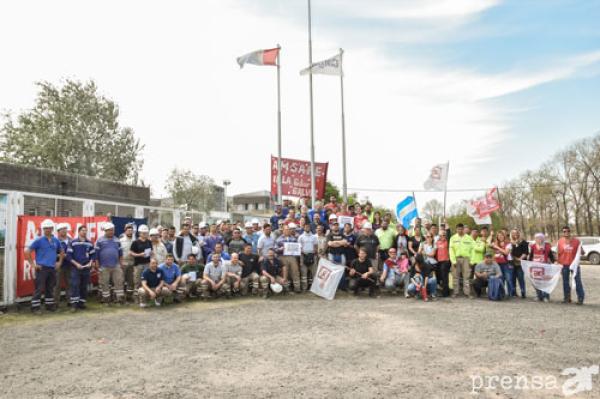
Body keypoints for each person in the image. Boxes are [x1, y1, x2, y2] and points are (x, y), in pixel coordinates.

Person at [26, 219, 64, 313]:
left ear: (52, 228)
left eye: (49, 228)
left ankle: (49, 306)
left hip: (52, 268)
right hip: (42, 268)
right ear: (43, 229)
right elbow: (27, 252)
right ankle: (35, 308)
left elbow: (62, 252)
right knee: (39, 288)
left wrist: (59, 262)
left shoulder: (56, 240)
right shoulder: (39, 240)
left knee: (50, 288)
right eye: (45, 228)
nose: (47, 229)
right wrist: (33, 265)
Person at [66, 225, 95, 312]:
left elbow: (92, 255)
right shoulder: (73, 242)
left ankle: (81, 303)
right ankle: (74, 305)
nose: (84, 232)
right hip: (75, 268)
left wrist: (90, 262)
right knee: (75, 285)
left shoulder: (89, 243)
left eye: (86, 230)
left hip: (86, 268)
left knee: (84, 286)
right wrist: (76, 264)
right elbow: (69, 256)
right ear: (79, 232)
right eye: (83, 230)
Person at [95, 223, 125, 305]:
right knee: (105, 283)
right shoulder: (100, 240)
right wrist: (97, 263)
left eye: (113, 230)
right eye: (110, 230)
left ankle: (119, 300)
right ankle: (106, 300)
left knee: (119, 282)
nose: (112, 232)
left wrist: (121, 263)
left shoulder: (117, 240)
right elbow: (96, 254)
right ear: (105, 231)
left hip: (116, 265)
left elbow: (120, 253)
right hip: (104, 266)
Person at [557, 226, 585, 305]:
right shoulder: (560, 241)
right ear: (562, 232)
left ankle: (580, 298)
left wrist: (581, 250)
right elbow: (558, 253)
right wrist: (558, 263)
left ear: (570, 232)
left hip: (574, 265)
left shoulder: (576, 241)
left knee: (577, 281)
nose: (566, 233)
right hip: (564, 265)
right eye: (564, 231)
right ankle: (567, 298)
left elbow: (582, 252)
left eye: (568, 231)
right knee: (565, 282)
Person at [528, 233, 555, 302]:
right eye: (536, 238)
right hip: (535, 268)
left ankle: (546, 296)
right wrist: (529, 265)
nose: (538, 240)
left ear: (543, 239)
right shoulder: (533, 246)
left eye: (540, 238)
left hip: (545, 268)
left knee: (545, 282)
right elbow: (531, 256)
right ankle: (539, 295)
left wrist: (553, 262)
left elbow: (551, 257)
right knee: (536, 282)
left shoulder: (547, 246)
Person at [449, 223, 475, 298]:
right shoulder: (453, 238)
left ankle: (467, 293)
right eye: (458, 229)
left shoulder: (469, 238)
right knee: (455, 277)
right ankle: (455, 292)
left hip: (466, 259)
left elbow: (473, 250)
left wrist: (472, 261)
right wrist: (453, 261)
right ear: (456, 229)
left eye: (461, 229)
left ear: (463, 229)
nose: (460, 230)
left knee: (466, 276)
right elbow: (451, 250)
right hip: (456, 259)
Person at [129, 224, 152, 302]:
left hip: (147, 264)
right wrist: (139, 254)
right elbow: (131, 253)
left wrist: (151, 253)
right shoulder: (135, 242)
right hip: (138, 265)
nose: (145, 234)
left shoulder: (149, 241)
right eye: (143, 233)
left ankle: (146, 297)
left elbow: (151, 250)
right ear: (139, 233)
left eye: (146, 233)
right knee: (138, 282)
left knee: (146, 281)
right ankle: (136, 298)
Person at [275, 225, 301, 292]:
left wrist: (299, 248)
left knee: (295, 271)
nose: (287, 231)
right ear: (283, 230)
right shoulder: (278, 239)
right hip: (282, 257)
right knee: (285, 272)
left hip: (292, 257)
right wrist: (280, 249)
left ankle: (297, 288)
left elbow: (297, 248)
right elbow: (275, 249)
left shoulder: (294, 239)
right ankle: (286, 288)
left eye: (288, 229)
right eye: (286, 229)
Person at [53, 223, 72, 307]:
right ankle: (55, 302)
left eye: (65, 229)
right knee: (57, 284)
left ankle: (70, 301)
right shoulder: (54, 241)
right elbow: (51, 253)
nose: (64, 231)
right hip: (58, 265)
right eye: (62, 229)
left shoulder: (71, 240)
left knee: (70, 284)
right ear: (58, 231)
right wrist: (61, 256)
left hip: (69, 265)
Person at [491, 231, 513, 297]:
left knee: (508, 279)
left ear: (504, 236)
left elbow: (506, 253)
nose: (500, 236)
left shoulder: (508, 244)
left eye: (501, 235)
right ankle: (502, 293)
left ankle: (510, 293)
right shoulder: (495, 243)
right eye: (498, 235)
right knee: (501, 279)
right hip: (498, 263)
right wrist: (491, 235)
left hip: (506, 263)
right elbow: (488, 243)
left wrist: (497, 247)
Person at [509, 229, 529, 299]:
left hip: (521, 263)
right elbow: (509, 252)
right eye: (513, 233)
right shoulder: (510, 243)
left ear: (519, 233)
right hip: (512, 263)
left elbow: (526, 252)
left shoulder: (523, 242)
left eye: (516, 233)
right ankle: (514, 292)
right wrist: (514, 258)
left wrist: (520, 259)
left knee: (521, 278)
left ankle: (523, 292)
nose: (515, 234)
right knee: (512, 278)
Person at [298, 223, 318, 290]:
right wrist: (304, 253)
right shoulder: (300, 237)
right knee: (304, 273)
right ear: (304, 228)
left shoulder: (314, 237)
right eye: (306, 227)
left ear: (310, 228)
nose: (307, 228)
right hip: (303, 256)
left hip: (312, 256)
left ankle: (314, 288)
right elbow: (299, 247)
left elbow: (316, 246)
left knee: (314, 273)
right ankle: (304, 288)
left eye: (308, 227)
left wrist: (313, 253)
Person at [120, 224, 137, 301]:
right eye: (128, 231)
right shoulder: (121, 241)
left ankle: (129, 297)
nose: (130, 232)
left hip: (132, 263)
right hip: (123, 263)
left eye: (131, 231)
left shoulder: (135, 241)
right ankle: (121, 297)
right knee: (121, 280)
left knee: (131, 281)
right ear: (125, 231)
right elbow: (119, 253)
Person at [435, 229, 451, 297]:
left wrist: (447, 228)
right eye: (440, 235)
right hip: (438, 262)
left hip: (445, 261)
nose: (442, 236)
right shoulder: (437, 242)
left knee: (445, 277)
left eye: (444, 235)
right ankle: (443, 291)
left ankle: (445, 293)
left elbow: (449, 234)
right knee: (439, 277)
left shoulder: (447, 241)